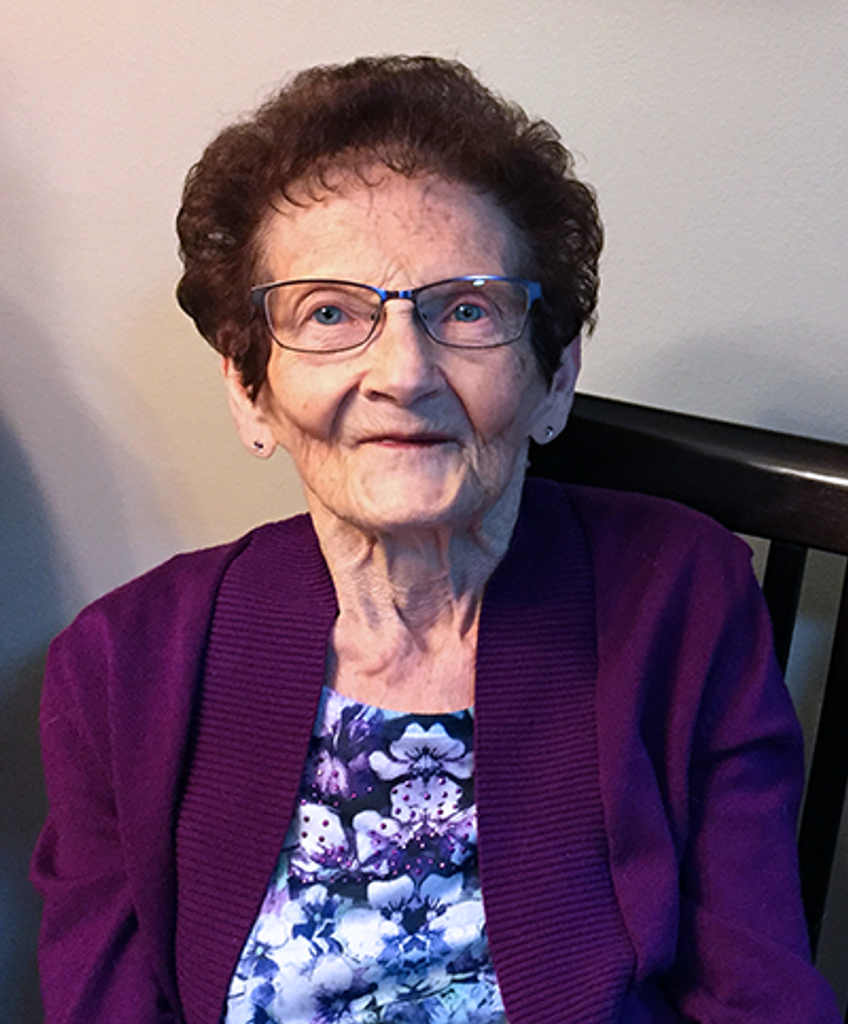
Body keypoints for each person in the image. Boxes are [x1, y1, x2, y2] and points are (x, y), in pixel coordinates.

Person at [31, 55, 840, 1024]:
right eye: (329, 312)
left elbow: (757, 990)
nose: (403, 373)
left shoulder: (682, 595)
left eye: (465, 309)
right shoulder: (120, 665)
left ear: (553, 376)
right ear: (249, 389)